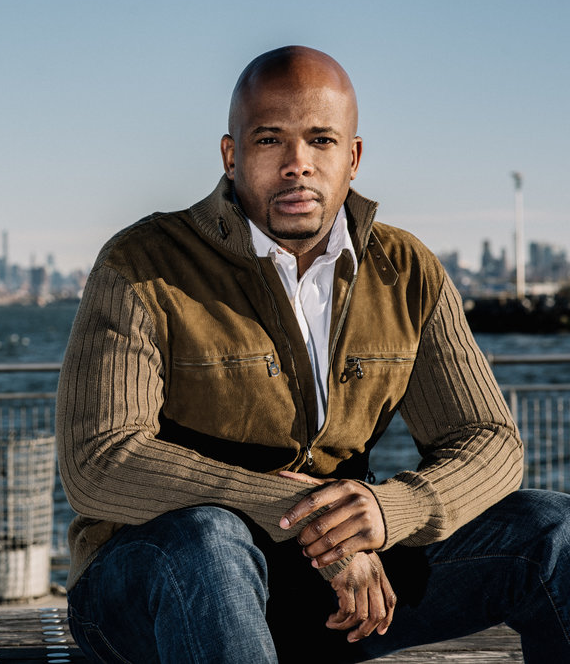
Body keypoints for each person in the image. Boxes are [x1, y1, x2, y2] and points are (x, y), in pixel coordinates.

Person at [56, 46, 570, 663]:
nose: (297, 165)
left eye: (321, 141)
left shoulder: (404, 270)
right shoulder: (142, 264)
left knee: (554, 529)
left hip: (341, 592)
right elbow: (99, 461)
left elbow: (489, 438)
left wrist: (389, 510)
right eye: (270, 140)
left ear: (352, 158)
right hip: (154, 586)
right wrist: (298, 515)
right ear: (232, 154)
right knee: (208, 541)